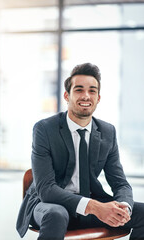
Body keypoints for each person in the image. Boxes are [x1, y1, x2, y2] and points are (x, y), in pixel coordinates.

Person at [16, 63, 144, 240]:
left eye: (92, 91)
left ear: (98, 98)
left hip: (90, 205)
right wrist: (94, 207)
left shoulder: (108, 132)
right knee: (56, 215)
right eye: (79, 90)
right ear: (66, 96)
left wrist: (123, 207)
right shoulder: (44, 129)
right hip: (49, 205)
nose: (86, 96)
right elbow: (46, 189)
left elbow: (120, 183)